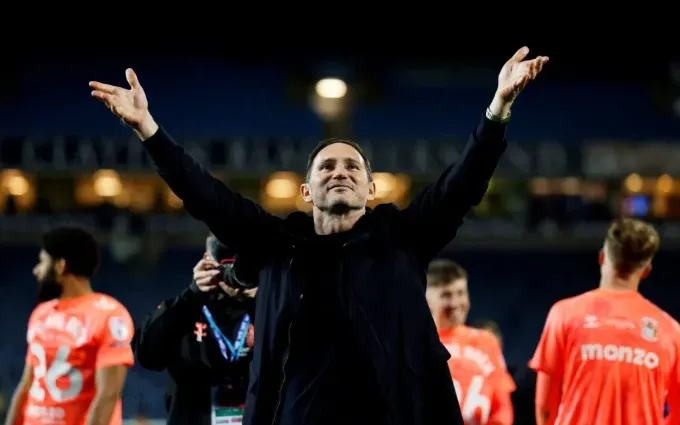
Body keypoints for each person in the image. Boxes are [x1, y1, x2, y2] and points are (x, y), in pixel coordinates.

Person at [89, 47, 548, 425]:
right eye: (326, 166)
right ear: (307, 191)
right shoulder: (276, 245)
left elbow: (461, 186)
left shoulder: (402, 239)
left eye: (352, 166)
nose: (339, 172)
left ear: (371, 189)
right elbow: (207, 196)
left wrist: (497, 111)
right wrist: (149, 131)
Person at [529, 218, 680, 425]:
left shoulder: (564, 314)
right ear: (646, 271)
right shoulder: (670, 331)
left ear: (602, 258)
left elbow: (545, 405)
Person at [4, 226, 135, 425]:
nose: (36, 270)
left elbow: (108, 395)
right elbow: (26, 385)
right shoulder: (41, 313)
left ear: (60, 266)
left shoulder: (109, 315)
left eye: (43, 262)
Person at [132, 234, 256, 425]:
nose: (235, 274)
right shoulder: (187, 308)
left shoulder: (268, 309)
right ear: (208, 261)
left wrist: (261, 300)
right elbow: (147, 356)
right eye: (228, 265)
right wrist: (192, 295)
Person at [426, 259, 515, 425]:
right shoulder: (417, 344)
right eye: (446, 295)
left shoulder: (487, 342)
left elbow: (501, 406)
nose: (456, 302)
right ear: (428, 300)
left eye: (460, 293)